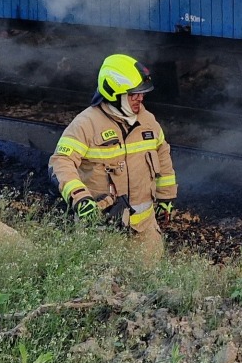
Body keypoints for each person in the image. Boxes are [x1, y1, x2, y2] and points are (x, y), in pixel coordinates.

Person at [48, 53, 177, 260]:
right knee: (105, 288)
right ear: (113, 93)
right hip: (102, 229)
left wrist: (166, 196)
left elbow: (162, 153)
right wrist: (80, 198)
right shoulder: (86, 124)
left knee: (149, 287)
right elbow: (61, 162)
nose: (140, 98)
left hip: (145, 230)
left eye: (142, 93)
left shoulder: (148, 121)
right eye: (133, 94)